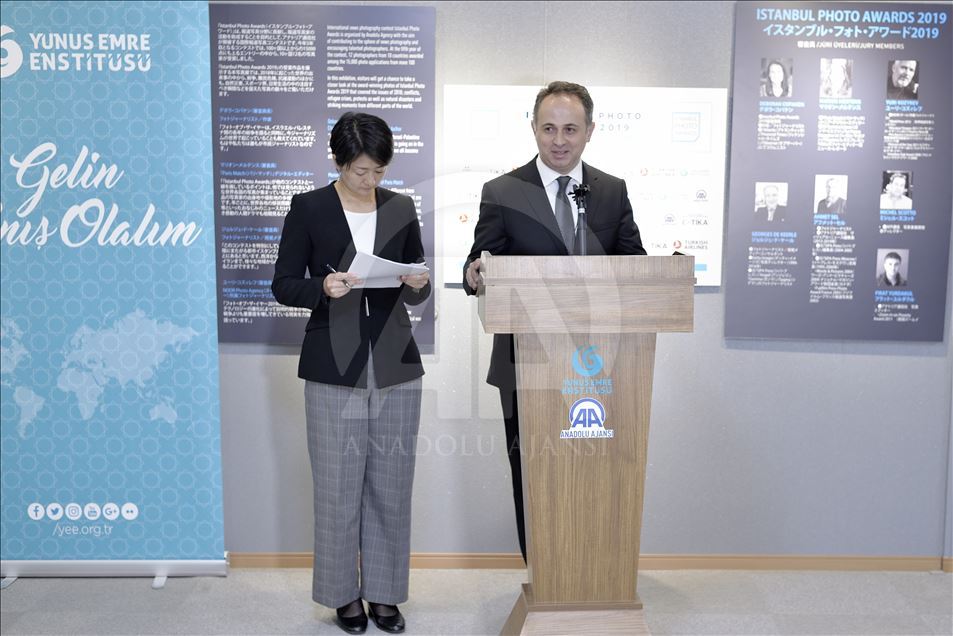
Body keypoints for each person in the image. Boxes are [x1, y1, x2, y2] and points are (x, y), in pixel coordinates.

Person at [462, 81, 646, 562]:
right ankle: (542, 572)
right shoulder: (503, 191)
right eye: (548, 129)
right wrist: (474, 272)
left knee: (599, 471)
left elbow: (634, 264)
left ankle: (596, 571)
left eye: (570, 129)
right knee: (532, 472)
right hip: (525, 362)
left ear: (590, 130)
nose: (559, 140)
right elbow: (479, 262)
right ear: (533, 128)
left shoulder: (612, 191)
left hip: (603, 365)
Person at [272, 112, 431, 635]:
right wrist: (323, 287)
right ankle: (343, 596)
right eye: (361, 170)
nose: (370, 180)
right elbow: (283, 283)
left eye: (379, 171)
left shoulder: (401, 207)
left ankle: (384, 594)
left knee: (392, 484)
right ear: (338, 161)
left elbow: (419, 282)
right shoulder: (309, 207)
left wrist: (417, 282)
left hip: (395, 361)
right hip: (332, 363)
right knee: (337, 488)